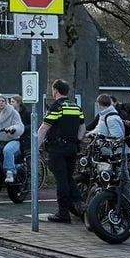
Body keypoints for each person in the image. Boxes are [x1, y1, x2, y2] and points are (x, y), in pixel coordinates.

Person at [37, 79, 86, 223]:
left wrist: (36, 147)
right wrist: (76, 141)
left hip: (57, 148)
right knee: (68, 177)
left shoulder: (57, 107)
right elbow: (82, 128)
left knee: (61, 180)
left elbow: (44, 128)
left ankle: (63, 213)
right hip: (72, 148)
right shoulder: (76, 107)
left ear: (55, 90)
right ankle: (80, 205)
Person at [86, 93, 130, 205]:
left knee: (123, 178)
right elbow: (99, 129)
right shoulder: (104, 116)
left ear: (98, 104)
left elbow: (117, 136)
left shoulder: (111, 118)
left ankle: (128, 204)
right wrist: (89, 134)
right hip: (108, 153)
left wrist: (104, 139)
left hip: (116, 154)